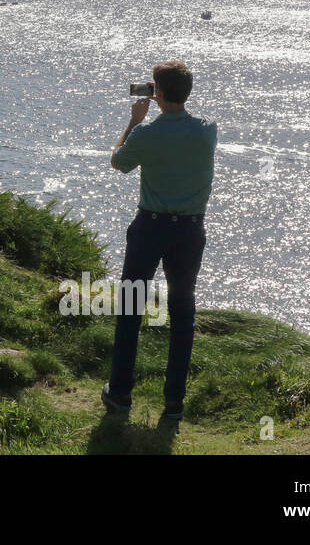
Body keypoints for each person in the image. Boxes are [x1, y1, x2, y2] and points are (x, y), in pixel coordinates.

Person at [102, 60, 217, 423]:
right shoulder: (207, 130)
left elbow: (118, 162)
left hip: (150, 228)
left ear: (157, 92)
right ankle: (174, 402)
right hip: (189, 231)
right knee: (182, 313)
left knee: (131, 308)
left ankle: (120, 394)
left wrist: (135, 121)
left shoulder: (146, 134)